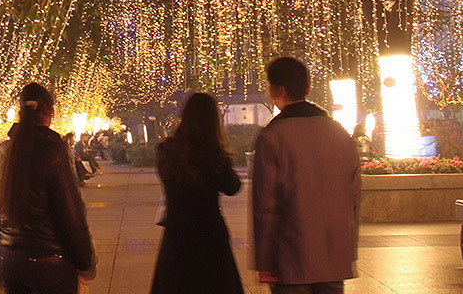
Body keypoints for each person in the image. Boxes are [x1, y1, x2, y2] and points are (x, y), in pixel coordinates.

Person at [253, 56, 360, 294]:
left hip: (291, 255)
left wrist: (265, 260)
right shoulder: (339, 132)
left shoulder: (273, 136)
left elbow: (266, 204)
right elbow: (353, 197)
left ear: (275, 90)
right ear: (307, 88)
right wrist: (349, 250)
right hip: (334, 254)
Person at [0, 82, 96, 294]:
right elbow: (70, 213)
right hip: (50, 264)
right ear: (50, 113)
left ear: (20, 113)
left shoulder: (0, 153)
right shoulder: (52, 150)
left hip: (12, 263)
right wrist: (85, 262)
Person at [149, 92, 243, 294]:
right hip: (209, 237)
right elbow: (233, 186)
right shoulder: (212, 154)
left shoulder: (167, 152)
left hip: (176, 236)